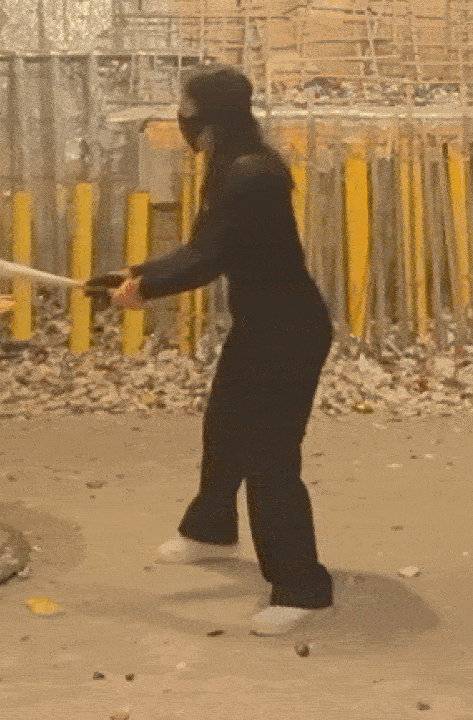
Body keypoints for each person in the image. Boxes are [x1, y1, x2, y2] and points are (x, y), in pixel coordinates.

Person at [107, 65, 335, 636]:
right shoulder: (234, 166)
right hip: (262, 326)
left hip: (287, 332)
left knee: (270, 456)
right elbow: (203, 247)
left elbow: (210, 259)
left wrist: (147, 288)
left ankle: (302, 586)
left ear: (210, 117)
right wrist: (137, 272)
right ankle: (210, 531)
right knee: (225, 423)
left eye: (187, 108)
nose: (181, 119)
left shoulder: (253, 173)